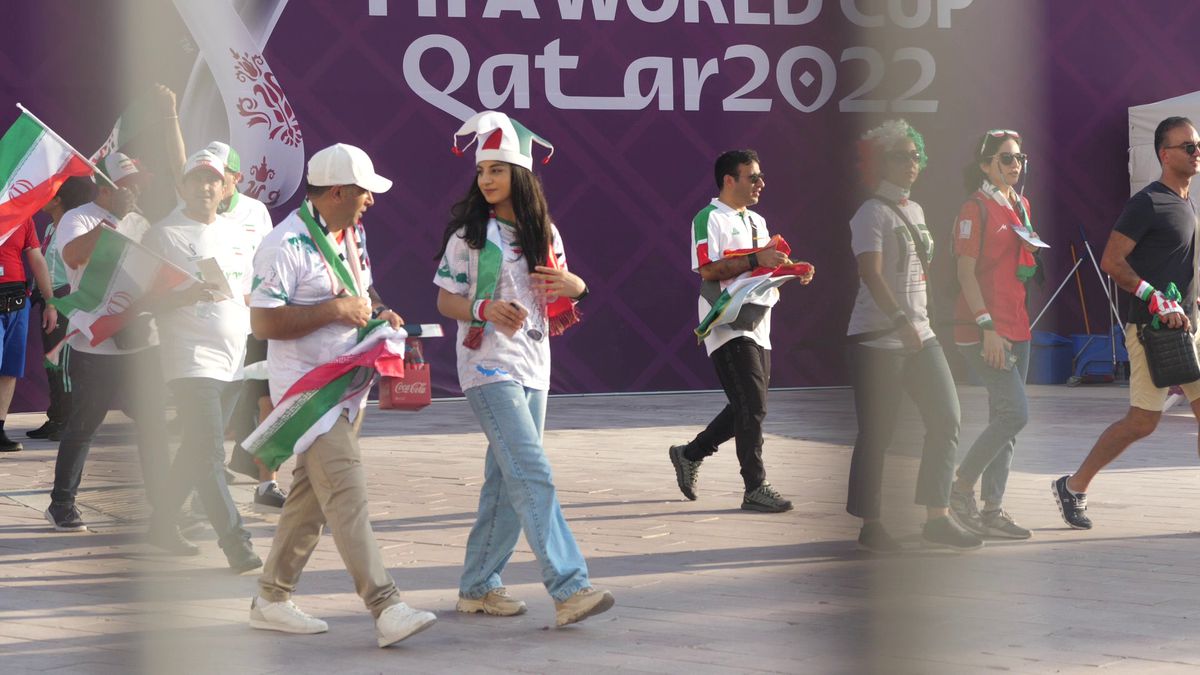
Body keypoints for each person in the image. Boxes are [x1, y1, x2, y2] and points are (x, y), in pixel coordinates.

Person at [249, 143, 436, 647]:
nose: (371, 201)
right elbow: (264, 320)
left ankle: (270, 597)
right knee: (348, 493)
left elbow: (363, 292)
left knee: (310, 500)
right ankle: (386, 605)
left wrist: (381, 311)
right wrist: (334, 311)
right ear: (336, 192)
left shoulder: (351, 232)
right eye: (364, 192)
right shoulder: (283, 244)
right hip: (308, 397)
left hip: (349, 387)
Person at [434, 111, 614, 627]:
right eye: (482, 170)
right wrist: (483, 309)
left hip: (535, 365)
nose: (486, 179)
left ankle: (477, 586)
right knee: (531, 471)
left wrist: (575, 286)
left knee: (505, 479)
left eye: (497, 169)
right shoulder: (470, 234)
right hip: (488, 366)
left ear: (521, 176)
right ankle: (569, 586)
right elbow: (446, 300)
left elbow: (566, 288)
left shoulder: (544, 233)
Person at [1053, 116, 1200, 530]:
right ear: (1164, 153)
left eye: (1198, 144)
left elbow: (1173, 264)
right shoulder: (1147, 203)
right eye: (1187, 146)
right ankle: (1074, 485)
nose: (1196, 151)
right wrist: (1154, 299)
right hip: (1151, 333)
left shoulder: (1185, 200)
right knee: (1143, 421)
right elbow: (1111, 262)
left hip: (1187, 327)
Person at [843, 120, 983, 552]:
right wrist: (900, 321)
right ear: (881, 161)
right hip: (877, 337)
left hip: (921, 334)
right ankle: (871, 523)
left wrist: (916, 323)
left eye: (916, 155)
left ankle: (936, 516)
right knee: (877, 433)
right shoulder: (871, 213)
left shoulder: (916, 210)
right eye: (902, 156)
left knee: (947, 418)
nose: (912, 163)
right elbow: (872, 273)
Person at [44, 153, 190, 553]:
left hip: (141, 340)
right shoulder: (80, 217)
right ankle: (61, 504)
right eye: (129, 184)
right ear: (105, 188)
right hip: (94, 341)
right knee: (84, 425)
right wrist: (117, 224)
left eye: (140, 182)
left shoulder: (144, 221)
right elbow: (74, 258)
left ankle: (165, 513)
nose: (137, 189)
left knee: (154, 428)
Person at [668, 149, 811, 513]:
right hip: (725, 321)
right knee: (754, 403)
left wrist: (791, 270)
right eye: (753, 177)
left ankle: (690, 453)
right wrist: (756, 259)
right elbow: (708, 270)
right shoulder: (709, 217)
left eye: (760, 177)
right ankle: (755, 487)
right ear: (729, 180)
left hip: (759, 321)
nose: (761, 183)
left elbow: (761, 272)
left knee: (747, 405)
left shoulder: (759, 222)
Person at [141, 149, 262, 572]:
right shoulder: (163, 236)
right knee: (210, 455)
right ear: (182, 188)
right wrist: (187, 296)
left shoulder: (236, 233)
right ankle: (237, 545)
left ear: (225, 185)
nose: (206, 187)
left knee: (196, 449)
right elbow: (143, 300)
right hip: (190, 360)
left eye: (213, 180)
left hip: (234, 356)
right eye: (197, 180)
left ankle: (161, 524)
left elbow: (247, 291)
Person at [945, 129, 1039, 541]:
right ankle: (960, 487)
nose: (1014, 165)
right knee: (1014, 414)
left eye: (1019, 158)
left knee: (1007, 421)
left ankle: (992, 509)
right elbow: (964, 273)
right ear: (986, 165)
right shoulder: (975, 208)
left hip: (1018, 325)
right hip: (983, 328)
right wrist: (987, 327)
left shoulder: (1021, 204)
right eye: (1005, 159)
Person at [28, 177, 96, 442]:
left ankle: (68, 420)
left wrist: (55, 302)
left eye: (50, 191)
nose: (43, 195)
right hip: (48, 300)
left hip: (65, 301)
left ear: (59, 199)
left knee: (63, 364)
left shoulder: (73, 228)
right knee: (50, 362)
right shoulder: (49, 229)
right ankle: (55, 416)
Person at [0, 215, 60, 453]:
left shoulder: (22, 215)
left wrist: (50, 302)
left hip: (16, 301)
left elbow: (37, 259)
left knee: (10, 370)